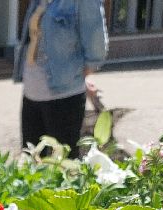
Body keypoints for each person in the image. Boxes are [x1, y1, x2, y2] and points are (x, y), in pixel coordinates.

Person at [12, 0, 107, 158]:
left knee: (64, 163)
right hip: (31, 94)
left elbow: (96, 47)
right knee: (31, 162)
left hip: (64, 96)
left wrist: (80, 75)